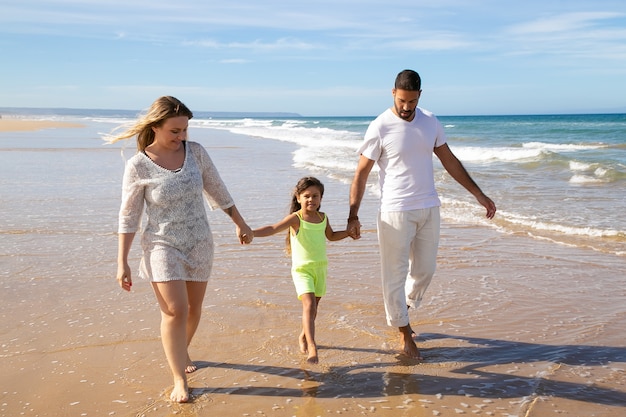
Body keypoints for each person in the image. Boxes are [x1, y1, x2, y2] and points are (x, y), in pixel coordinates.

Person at [108, 96, 253, 403]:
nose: (181, 136)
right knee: (177, 309)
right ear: (156, 126)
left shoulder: (196, 152)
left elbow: (217, 188)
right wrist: (122, 261)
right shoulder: (138, 165)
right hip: (162, 244)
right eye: (175, 131)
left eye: (185, 130)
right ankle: (178, 379)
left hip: (200, 240)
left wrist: (239, 222)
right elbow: (129, 215)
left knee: (194, 310)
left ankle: (180, 349)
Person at [347, 70, 497, 360]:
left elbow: (449, 161)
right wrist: (353, 214)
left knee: (425, 270)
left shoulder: (430, 121)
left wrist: (478, 194)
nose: (406, 107)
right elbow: (361, 174)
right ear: (393, 93)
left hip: (429, 207)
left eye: (412, 101)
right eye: (402, 100)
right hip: (395, 211)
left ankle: (403, 308)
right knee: (394, 275)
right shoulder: (380, 127)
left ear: (420, 97)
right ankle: (405, 335)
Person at [252, 177, 351, 364]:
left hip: (320, 269)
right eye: (307, 196)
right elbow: (272, 228)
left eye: (315, 196)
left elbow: (331, 236)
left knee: (313, 310)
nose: (311, 200)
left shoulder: (323, 218)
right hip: (302, 270)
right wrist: (251, 232)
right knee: (309, 305)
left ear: (321, 198)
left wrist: (348, 233)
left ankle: (303, 336)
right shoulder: (296, 219)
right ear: (298, 198)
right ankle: (312, 346)